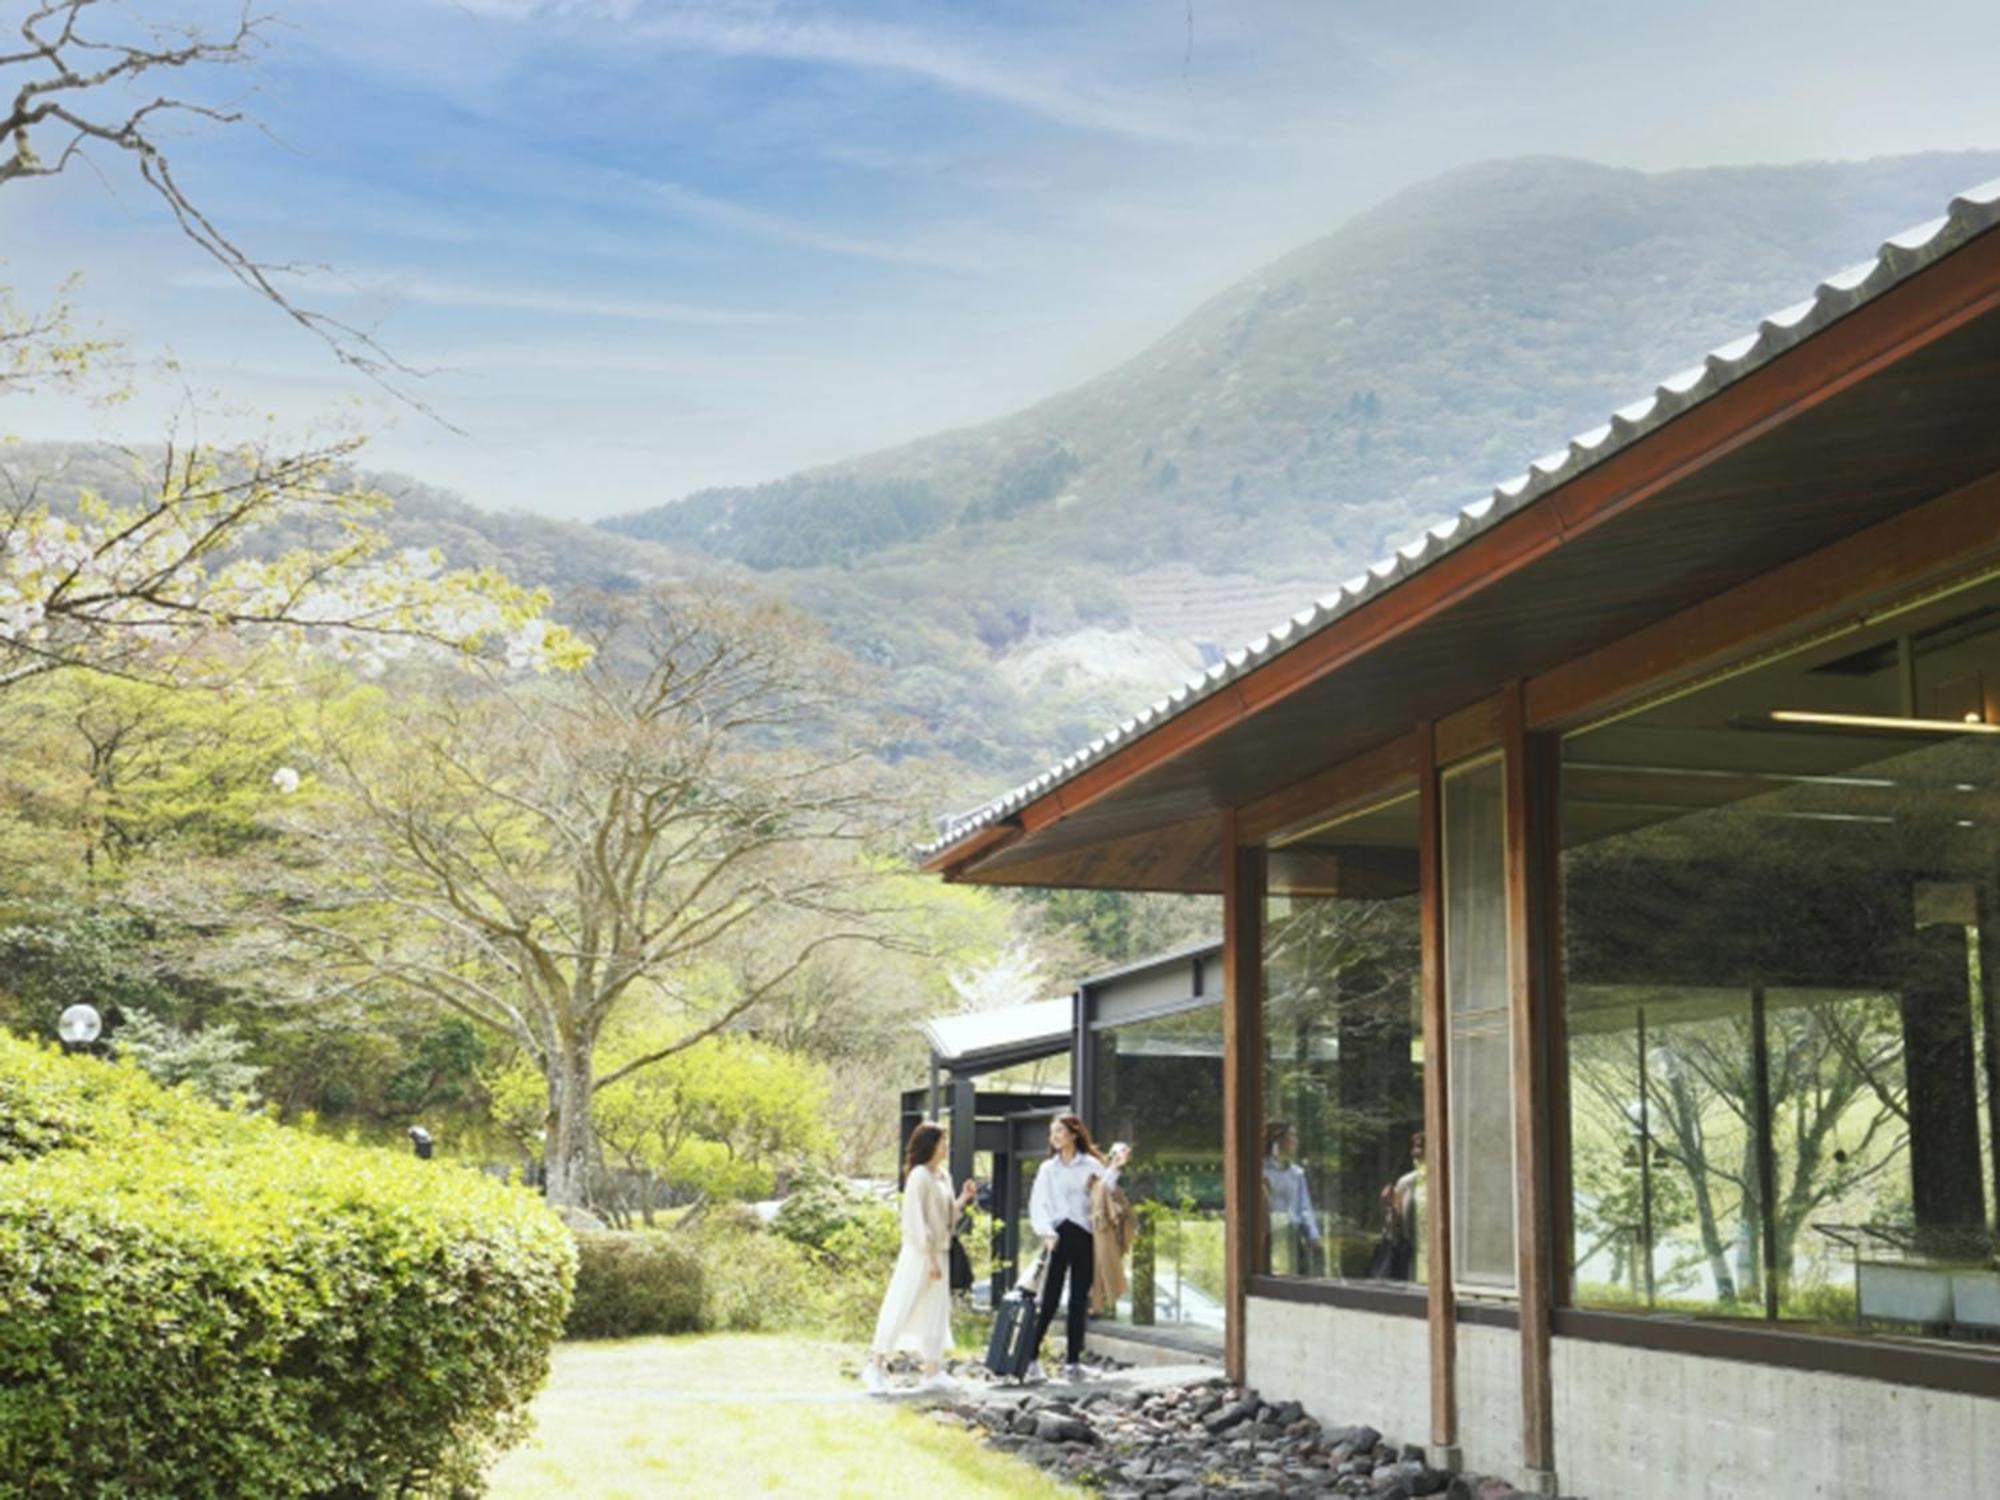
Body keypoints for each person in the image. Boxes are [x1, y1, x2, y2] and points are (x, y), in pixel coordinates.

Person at [861, 1122, 976, 1395]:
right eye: (942, 1141)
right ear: (930, 1145)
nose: (946, 1146)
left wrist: (964, 1198)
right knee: (901, 1303)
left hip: (941, 1250)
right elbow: (915, 1220)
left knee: (937, 1310)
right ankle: (875, 1366)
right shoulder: (919, 1176)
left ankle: (933, 1371)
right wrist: (930, 1259)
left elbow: (946, 1216)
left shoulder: (942, 1176)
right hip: (919, 1253)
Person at [1028, 1113, 1132, 1381]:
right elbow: (1038, 1203)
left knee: (1078, 1301)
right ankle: (1030, 1359)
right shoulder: (1047, 1169)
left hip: (1085, 1236)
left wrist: (1117, 1166)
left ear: (1074, 1134)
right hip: (1059, 1235)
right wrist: (1047, 1233)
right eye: (1053, 1132)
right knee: (1049, 1300)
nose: (1055, 1137)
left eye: (1060, 1131)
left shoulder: (1090, 1164)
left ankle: (1072, 1363)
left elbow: (1103, 1191)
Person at [1261, 1121, 1321, 1277]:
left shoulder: (1296, 1173)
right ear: (1277, 1140)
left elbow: (1304, 1207)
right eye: (1291, 1136)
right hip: (1268, 1235)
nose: (1295, 1140)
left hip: (1291, 1237)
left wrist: (1312, 1235)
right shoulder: (1262, 1171)